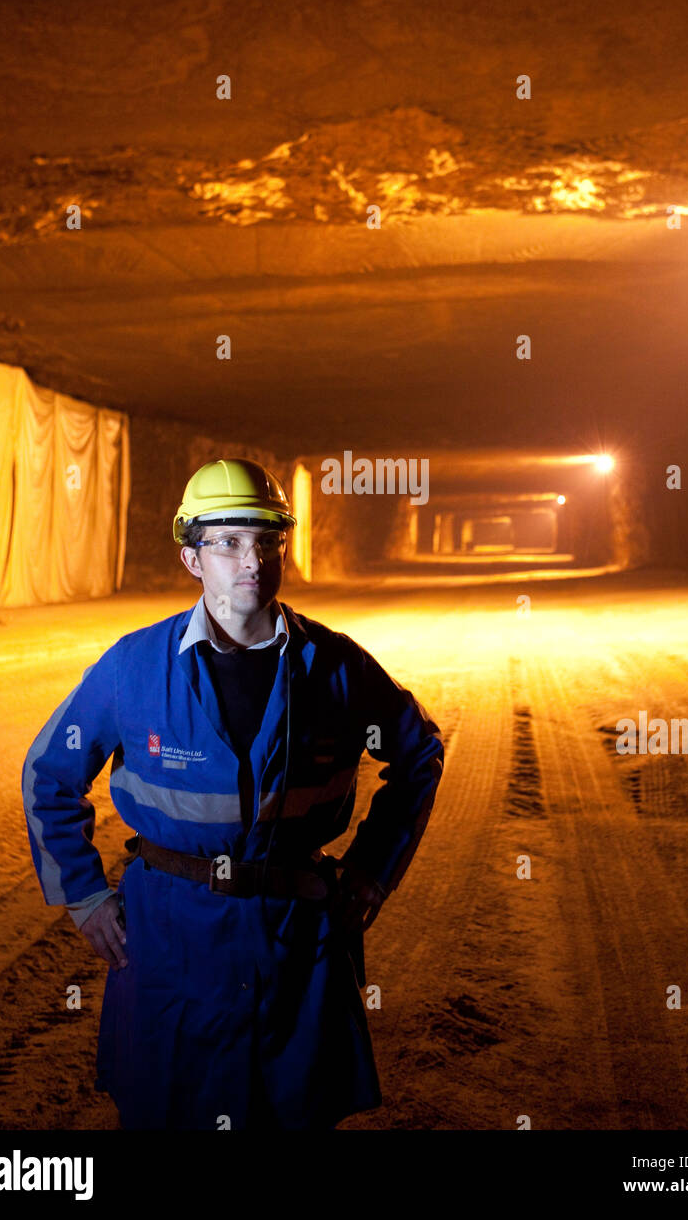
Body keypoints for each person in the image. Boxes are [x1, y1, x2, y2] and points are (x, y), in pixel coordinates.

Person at [22, 458, 444, 1130]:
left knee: (293, 1110)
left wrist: (372, 871)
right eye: (228, 542)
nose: (253, 560)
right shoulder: (135, 667)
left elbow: (419, 753)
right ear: (192, 558)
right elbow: (49, 774)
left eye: (267, 541)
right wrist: (84, 894)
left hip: (296, 935)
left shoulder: (336, 667)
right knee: (169, 1110)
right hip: (171, 935)